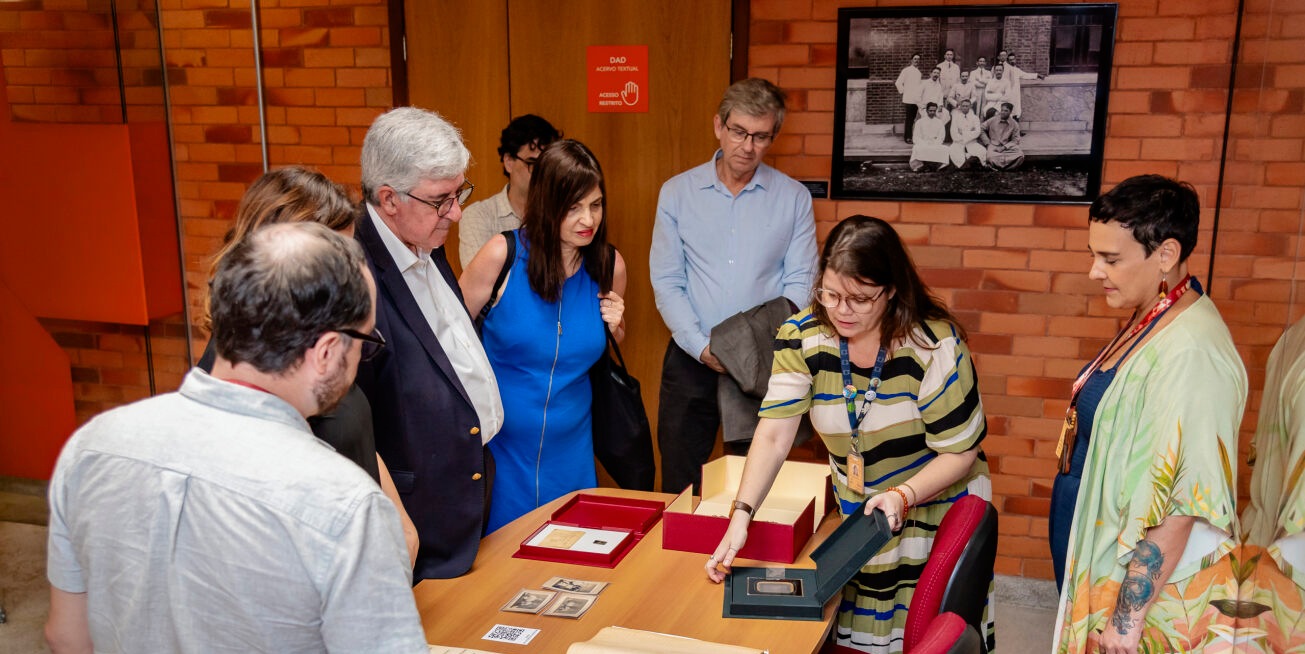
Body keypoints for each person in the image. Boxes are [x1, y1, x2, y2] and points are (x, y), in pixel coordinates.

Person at [44, 223, 428, 653]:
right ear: (325, 352)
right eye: (363, 342)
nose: (363, 357)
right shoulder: (345, 505)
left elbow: (67, 637)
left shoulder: (90, 446)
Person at [704, 215, 994, 653]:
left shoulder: (933, 346)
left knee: (923, 630)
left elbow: (961, 454)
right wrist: (741, 514)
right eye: (831, 294)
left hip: (932, 504)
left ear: (891, 289)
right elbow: (774, 435)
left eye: (860, 299)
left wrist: (902, 495)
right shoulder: (802, 338)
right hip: (864, 512)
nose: (842, 310)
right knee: (857, 635)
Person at [1049, 175, 1246, 654]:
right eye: (1094, 255)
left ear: (1166, 253)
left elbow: (1183, 502)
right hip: (1094, 554)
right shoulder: (1155, 311)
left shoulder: (1192, 353)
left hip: (1141, 596)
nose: (1096, 271)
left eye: (1111, 259)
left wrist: (1126, 621)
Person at [195, 166, 419, 566]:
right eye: (334, 257)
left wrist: (401, 526)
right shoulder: (247, 367)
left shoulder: (320, 336)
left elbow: (352, 433)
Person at [354, 106, 504, 581]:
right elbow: (351, 417)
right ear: (389, 199)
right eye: (443, 199)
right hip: (415, 522)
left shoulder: (425, 238)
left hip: (466, 496)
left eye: (459, 193)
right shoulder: (355, 274)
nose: (456, 212)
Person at [650, 78, 817, 494]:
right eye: (739, 131)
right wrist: (702, 346)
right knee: (680, 485)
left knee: (752, 488)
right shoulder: (676, 193)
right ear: (719, 127)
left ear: (772, 137)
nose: (747, 146)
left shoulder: (793, 198)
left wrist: (749, 344)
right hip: (692, 358)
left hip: (763, 362)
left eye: (760, 137)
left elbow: (800, 283)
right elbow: (668, 280)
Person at [460, 139, 627, 532]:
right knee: (498, 579)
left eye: (596, 204)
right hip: (500, 454)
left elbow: (604, 346)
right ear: (548, 204)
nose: (588, 219)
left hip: (572, 456)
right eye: (573, 207)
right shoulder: (500, 255)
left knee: (569, 576)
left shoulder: (608, 265)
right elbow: (449, 343)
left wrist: (618, 326)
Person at [458, 114, 562, 267]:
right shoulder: (479, 216)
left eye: (547, 164)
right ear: (509, 162)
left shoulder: (562, 213)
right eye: (532, 163)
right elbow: (480, 282)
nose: (542, 173)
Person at [979, 102, 1024, 171]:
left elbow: (1016, 139)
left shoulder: (1014, 124)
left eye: (1006, 111)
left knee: (1020, 155)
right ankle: (1008, 167)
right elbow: (981, 128)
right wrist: (987, 143)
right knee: (990, 157)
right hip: (994, 145)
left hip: (1007, 146)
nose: (1003, 112)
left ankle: (999, 168)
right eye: (1002, 110)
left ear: (1010, 112)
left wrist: (1004, 147)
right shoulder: (993, 119)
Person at [1004, 53, 1044, 124]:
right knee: (1009, 111)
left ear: (1015, 60)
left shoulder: (1017, 70)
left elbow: (1026, 75)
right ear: (1008, 61)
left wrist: (1037, 75)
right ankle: (1009, 131)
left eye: (1013, 59)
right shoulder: (1006, 70)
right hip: (1008, 94)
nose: (1012, 61)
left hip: (1016, 94)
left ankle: (1016, 131)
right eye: (1010, 60)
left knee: (1016, 110)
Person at [908, 103, 949, 172]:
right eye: (930, 110)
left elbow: (941, 136)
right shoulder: (919, 122)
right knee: (917, 148)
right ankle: (920, 166)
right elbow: (916, 136)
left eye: (934, 111)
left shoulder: (939, 122)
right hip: (923, 143)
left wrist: (935, 143)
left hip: (935, 143)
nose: (932, 112)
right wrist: (924, 143)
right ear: (927, 111)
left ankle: (936, 166)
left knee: (945, 149)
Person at [894, 54, 924, 144]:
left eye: (918, 59)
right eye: (915, 59)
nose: (916, 61)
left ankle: (914, 136)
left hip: (916, 99)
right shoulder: (906, 70)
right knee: (909, 119)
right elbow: (898, 83)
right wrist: (905, 92)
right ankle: (907, 137)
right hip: (909, 99)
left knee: (915, 118)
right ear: (911, 60)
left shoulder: (918, 72)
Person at [948, 98, 986, 169]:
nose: (965, 108)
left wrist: (963, 132)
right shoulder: (956, 117)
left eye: (967, 106)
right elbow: (953, 133)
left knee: (982, 151)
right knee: (954, 152)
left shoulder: (975, 118)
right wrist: (969, 132)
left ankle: (969, 161)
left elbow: (977, 132)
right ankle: (965, 164)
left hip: (971, 142)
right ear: (960, 106)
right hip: (959, 142)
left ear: (970, 106)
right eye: (963, 106)